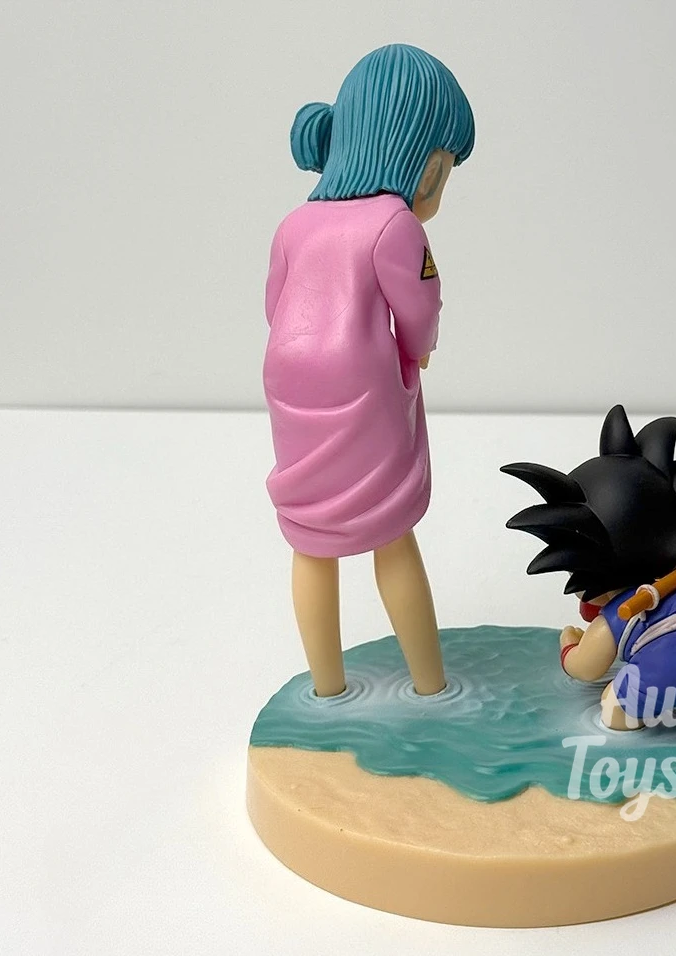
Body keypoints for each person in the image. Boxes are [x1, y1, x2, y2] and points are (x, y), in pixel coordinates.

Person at [263, 44, 475, 697]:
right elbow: (420, 305)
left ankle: (327, 687)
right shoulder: (395, 224)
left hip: (290, 386)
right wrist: (416, 349)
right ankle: (429, 683)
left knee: (310, 538)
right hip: (363, 389)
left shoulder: (296, 223)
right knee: (392, 532)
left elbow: (275, 306)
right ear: (427, 165)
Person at [502, 405, 676, 729]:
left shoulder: (618, 614)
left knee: (615, 705)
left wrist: (570, 646)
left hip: (662, 676)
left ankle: (625, 721)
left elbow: (586, 669)